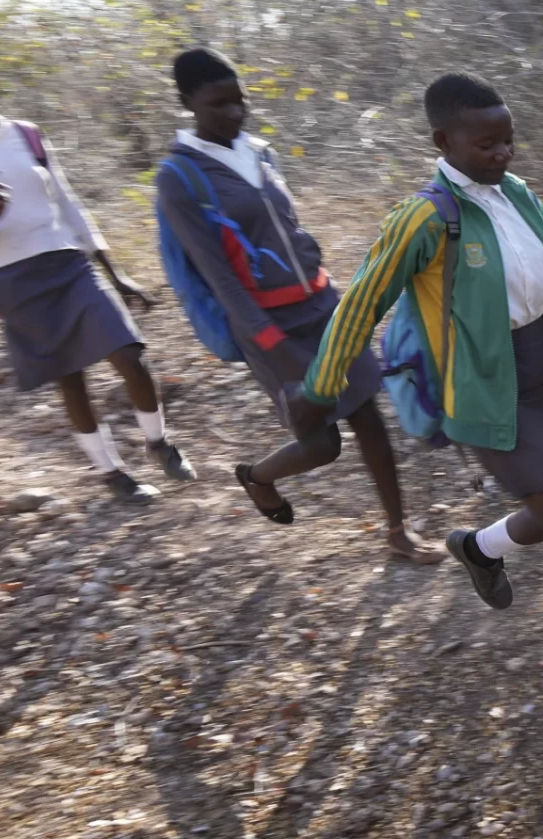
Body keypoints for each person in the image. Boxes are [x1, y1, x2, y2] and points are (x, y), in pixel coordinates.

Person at [289, 71, 543, 697]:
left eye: (508, 141)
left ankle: (478, 547)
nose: (502, 154)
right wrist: (320, 386)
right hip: (482, 391)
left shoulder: (517, 192)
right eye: (486, 145)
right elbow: (360, 303)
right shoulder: (422, 218)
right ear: (443, 141)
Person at [154, 46, 436, 562]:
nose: (235, 113)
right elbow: (221, 280)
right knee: (322, 444)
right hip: (267, 326)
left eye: (240, 101)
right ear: (187, 102)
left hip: (323, 306)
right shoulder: (180, 178)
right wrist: (275, 347)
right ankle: (256, 477)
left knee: (368, 414)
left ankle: (399, 534)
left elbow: (289, 230)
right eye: (219, 104)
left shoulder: (261, 152)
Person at [0, 42, 194, 501]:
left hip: (69, 263)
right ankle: (113, 474)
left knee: (130, 355)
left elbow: (69, 202)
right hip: (11, 276)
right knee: (70, 377)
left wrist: (114, 273)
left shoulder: (24, 134)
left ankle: (159, 442)